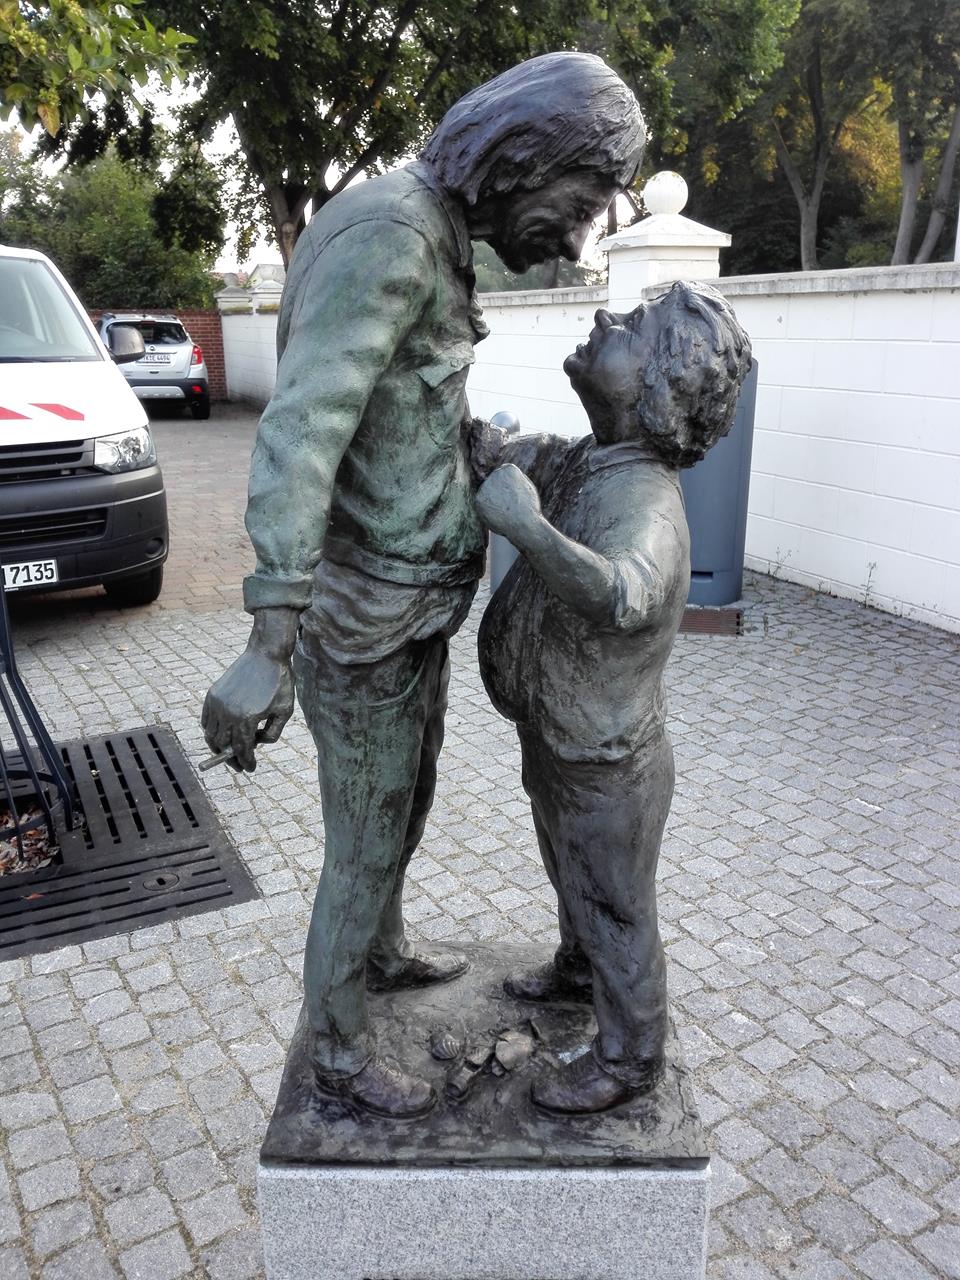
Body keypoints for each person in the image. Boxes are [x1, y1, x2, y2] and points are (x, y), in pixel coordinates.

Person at [201, 52, 647, 1119]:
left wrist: (464, 447)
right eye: (580, 202)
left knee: (403, 808)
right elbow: (303, 429)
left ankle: (382, 951)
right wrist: (268, 638)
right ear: (526, 155)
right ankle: (339, 1053)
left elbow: (393, 407)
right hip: (367, 617)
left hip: (412, 610)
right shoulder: (393, 239)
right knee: (364, 841)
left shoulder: (427, 234)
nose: (575, 238)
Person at [473, 281, 752, 1113]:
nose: (604, 318)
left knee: (616, 906)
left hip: (607, 762)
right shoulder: (589, 459)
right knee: (569, 871)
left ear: (659, 386)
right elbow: (505, 456)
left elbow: (626, 594)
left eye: (630, 326)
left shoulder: (647, 502)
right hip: (557, 736)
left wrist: (528, 529)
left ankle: (631, 1058)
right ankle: (575, 967)